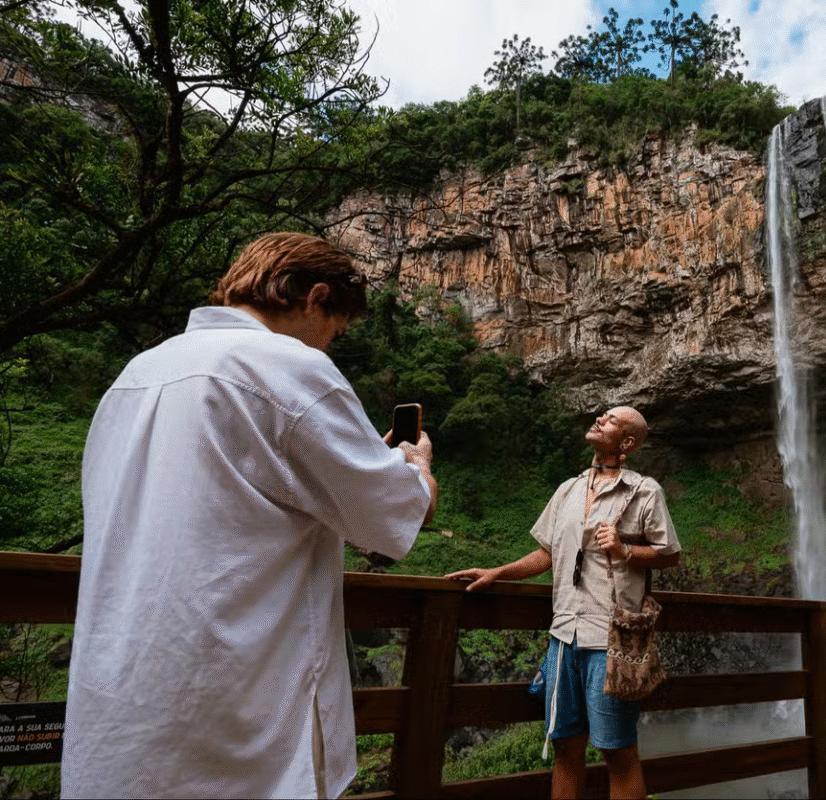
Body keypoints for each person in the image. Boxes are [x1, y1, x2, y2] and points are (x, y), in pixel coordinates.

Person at [61, 232, 437, 799]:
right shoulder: (290, 367)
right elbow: (396, 518)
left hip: (119, 698)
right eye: (334, 331)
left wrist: (358, 468)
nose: (328, 348)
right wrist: (415, 468)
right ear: (313, 297)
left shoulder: (137, 372)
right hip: (239, 700)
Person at [446, 406, 680, 800]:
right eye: (601, 415)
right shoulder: (568, 489)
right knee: (564, 747)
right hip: (563, 636)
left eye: (610, 421)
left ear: (627, 443)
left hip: (611, 640)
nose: (598, 420)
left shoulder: (644, 491)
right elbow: (546, 554)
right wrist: (496, 572)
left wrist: (625, 550)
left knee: (617, 752)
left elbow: (669, 553)